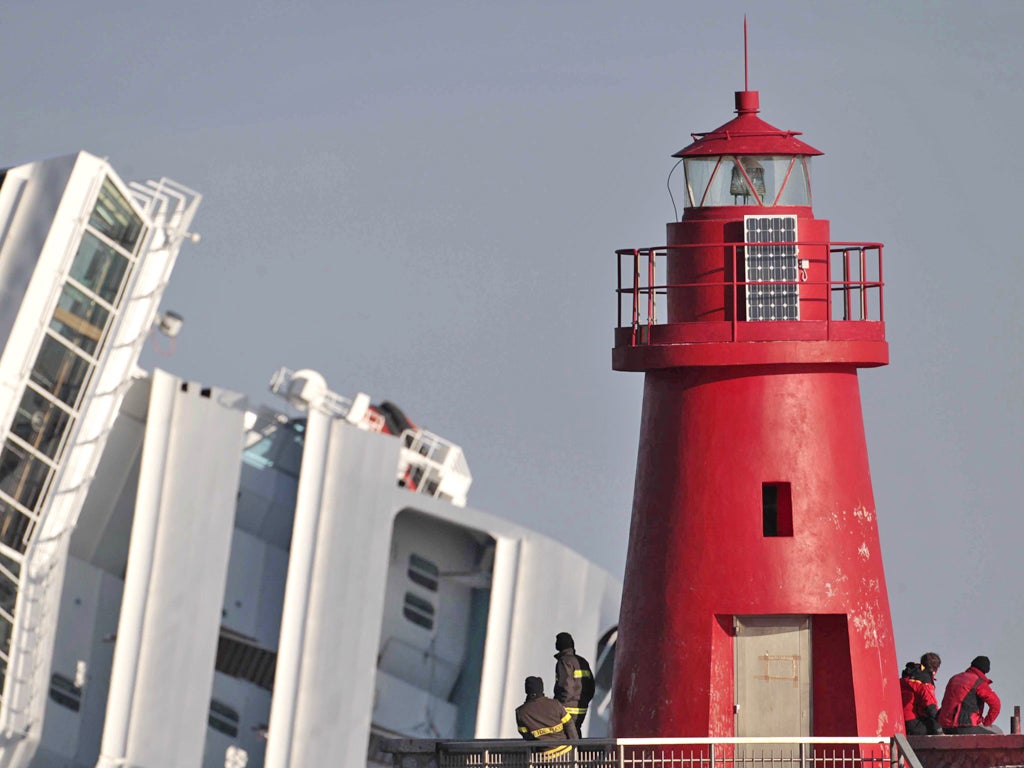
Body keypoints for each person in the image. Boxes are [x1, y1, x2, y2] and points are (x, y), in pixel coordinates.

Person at [515, 676, 577, 759]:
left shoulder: (521, 712)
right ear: (542, 689)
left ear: (527, 690)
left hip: (544, 757)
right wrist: (575, 746)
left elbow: (525, 734)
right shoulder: (555, 704)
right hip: (565, 753)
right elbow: (570, 725)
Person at [938, 656, 1002, 734]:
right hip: (965, 726)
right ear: (986, 670)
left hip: (946, 727)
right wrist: (986, 723)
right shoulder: (978, 682)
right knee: (997, 735)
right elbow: (996, 704)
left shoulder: (954, 678)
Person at [553, 632, 595, 733]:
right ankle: (578, 749)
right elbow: (591, 686)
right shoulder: (582, 661)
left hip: (567, 708)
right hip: (581, 708)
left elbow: (566, 686)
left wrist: (560, 705)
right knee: (575, 732)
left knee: (565, 736)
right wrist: (584, 701)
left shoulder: (564, 662)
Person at [900, 652, 941, 735]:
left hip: (900, 720)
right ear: (936, 669)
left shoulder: (907, 677)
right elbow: (930, 706)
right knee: (937, 727)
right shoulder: (925, 681)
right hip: (914, 722)